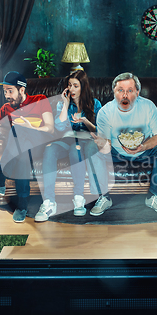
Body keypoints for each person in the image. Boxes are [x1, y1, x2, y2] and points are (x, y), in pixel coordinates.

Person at [91, 72, 157, 215]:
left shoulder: (148, 106)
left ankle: (154, 197)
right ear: (114, 92)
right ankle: (104, 197)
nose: (125, 95)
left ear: (137, 92)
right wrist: (102, 143)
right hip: (116, 152)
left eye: (130, 90)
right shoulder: (105, 112)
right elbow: (105, 143)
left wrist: (143, 146)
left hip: (144, 151)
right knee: (92, 148)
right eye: (120, 90)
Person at [0, 71, 54, 223]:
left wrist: (30, 127)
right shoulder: (6, 109)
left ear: (22, 90)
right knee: (21, 153)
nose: (7, 95)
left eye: (10, 91)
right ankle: (22, 206)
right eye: (5, 91)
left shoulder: (40, 100)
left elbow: (50, 129)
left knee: (19, 131)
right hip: (22, 150)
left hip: (41, 146)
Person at [35, 70, 105, 222]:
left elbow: (100, 131)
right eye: (69, 85)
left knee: (76, 149)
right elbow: (59, 128)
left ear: (83, 87)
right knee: (50, 149)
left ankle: (79, 199)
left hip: (85, 141)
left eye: (75, 86)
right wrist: (65, 105)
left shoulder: (95, 104)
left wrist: (85, 121)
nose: (72, 89)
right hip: (66, 140)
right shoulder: (63, 104)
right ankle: (49, 202)